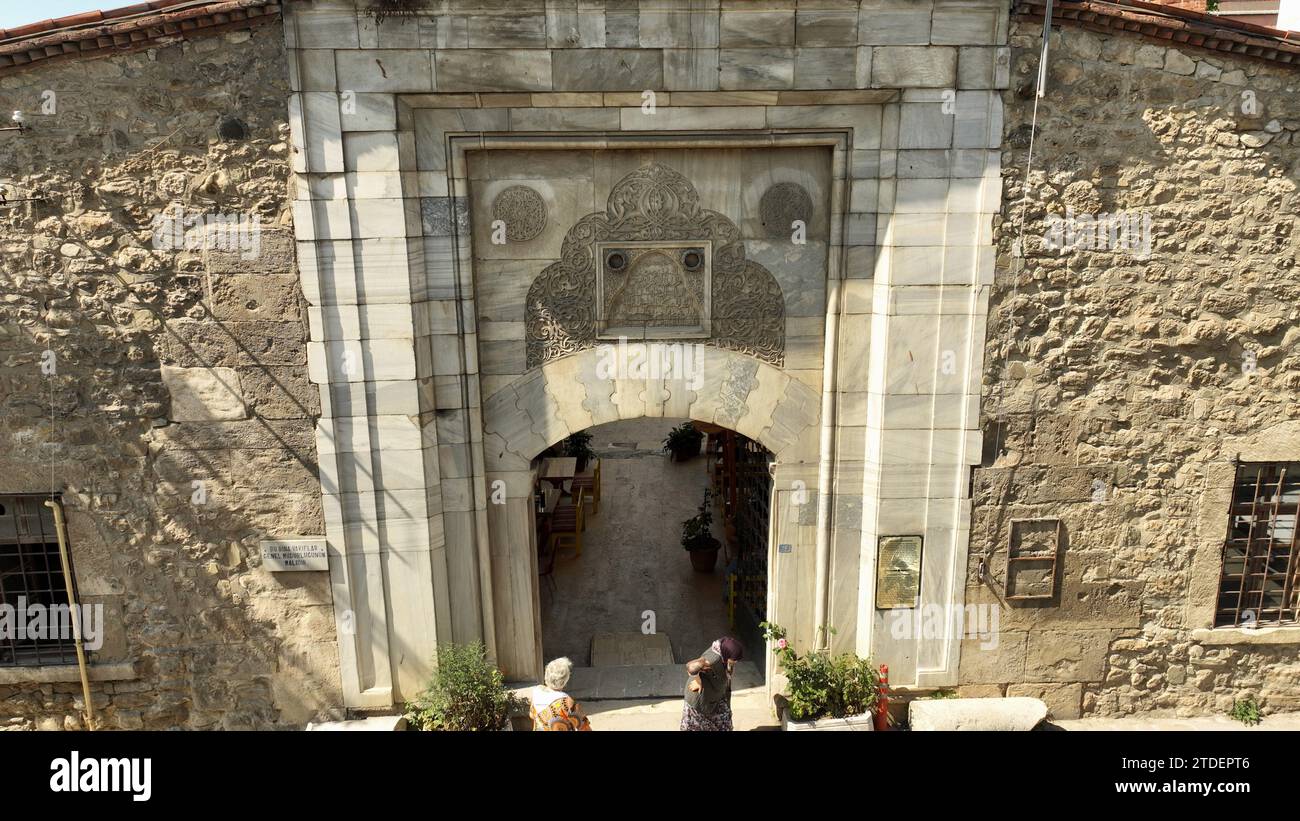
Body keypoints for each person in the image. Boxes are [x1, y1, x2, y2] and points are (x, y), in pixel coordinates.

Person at [680, 637, 743, 731]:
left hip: (715, 696)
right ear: (727, 653)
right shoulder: (713, 660)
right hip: (701, 701)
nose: (736, 662)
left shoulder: (722, 652)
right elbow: (691, 666)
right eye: (734, 659)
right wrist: (697, 680)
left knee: (724, 724)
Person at [529, 656, 592, 731]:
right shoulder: (566, 702)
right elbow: (584, 727)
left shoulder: (536, 692)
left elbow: (531, 715)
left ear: (546, 675)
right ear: (565, 681)